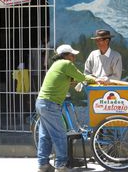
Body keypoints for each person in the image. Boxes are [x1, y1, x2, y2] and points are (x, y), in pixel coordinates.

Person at [35, 44, 101, 172]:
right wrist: (95, 79)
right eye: (72, 55)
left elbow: (68, 80)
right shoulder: (66, 64)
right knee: (60, 135)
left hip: (41, 102)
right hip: (51, 104)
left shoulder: (56, 65)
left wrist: (77, 82)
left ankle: (43, 165)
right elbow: (82, 77)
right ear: (65, 55)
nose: (74, 57)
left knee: (45, 135)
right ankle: (61, 166)